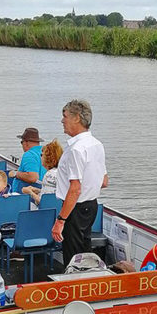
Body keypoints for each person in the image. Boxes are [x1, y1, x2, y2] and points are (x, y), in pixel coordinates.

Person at [52, 100, 108, 265]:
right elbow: (104, 181)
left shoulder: (76, 149)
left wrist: (60, 220)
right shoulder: (97, 145)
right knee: (85, 254)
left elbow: (75, 189)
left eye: (65, 116)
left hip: (75, 209)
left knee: (73, 259)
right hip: (91, 206)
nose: (62, 121)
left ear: (76, 118)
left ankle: (73, 281)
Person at [22, 139, 63, 205]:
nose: (40, 157)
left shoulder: (49, 175)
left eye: (42, 155)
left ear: (48, 158)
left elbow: (43, 202)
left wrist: (30, 192)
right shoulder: (59, 172)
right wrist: (37, 190)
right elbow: (52, 194)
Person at [10, 127, 47, 193]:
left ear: (26, 143)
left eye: (21, 142)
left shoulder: (29, 154)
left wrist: (16, 174)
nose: (22, 145)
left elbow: (32, 177)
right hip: (42, 191)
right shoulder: (45, 152)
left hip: (26, 196)